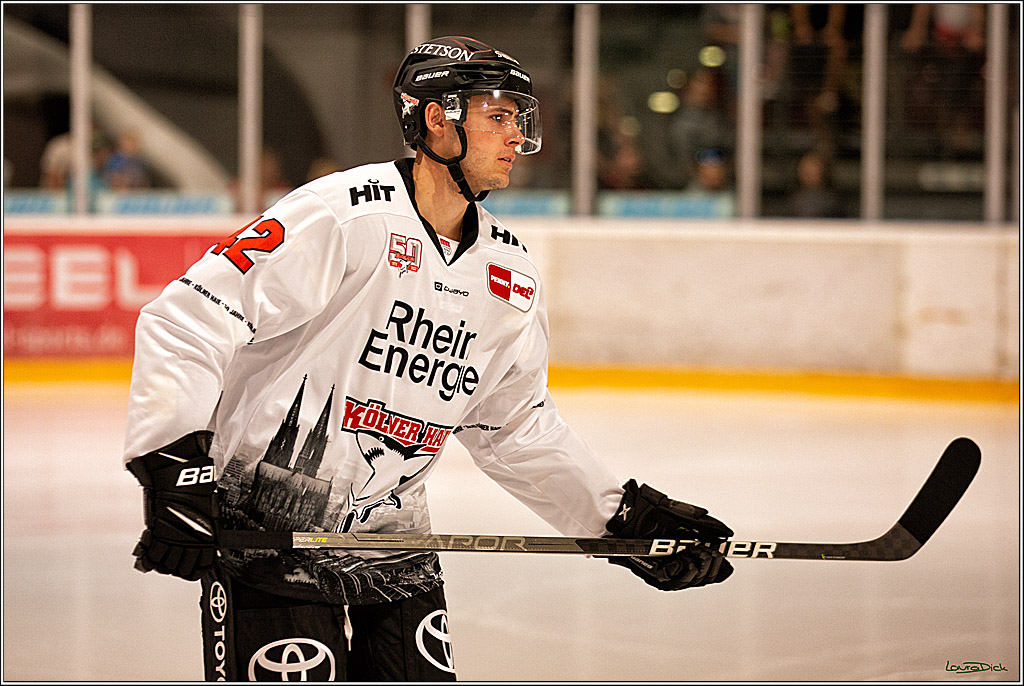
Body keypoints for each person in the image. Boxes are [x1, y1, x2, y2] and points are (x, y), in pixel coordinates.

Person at [121, 36, 733, 682]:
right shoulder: (339, 216)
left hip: (398, 549)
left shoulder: (509, 273)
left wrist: (619, 518)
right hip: (268, 539)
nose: (516, 135)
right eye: (498, 116)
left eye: (519, 118)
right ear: (437, 119)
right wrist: (172, 463)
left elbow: (513, 427)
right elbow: (189, 318)